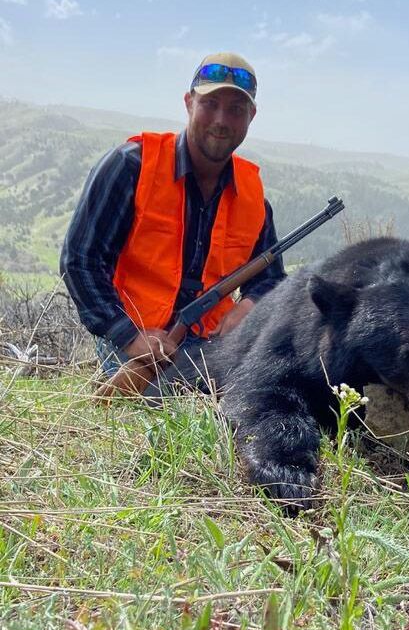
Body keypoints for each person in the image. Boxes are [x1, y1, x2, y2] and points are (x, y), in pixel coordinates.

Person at [60, 51, 285, 395]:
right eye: (210, 104)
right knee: (194, 401)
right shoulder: (131, 166)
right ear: (188, 102)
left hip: (210, 345)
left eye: (236, 109)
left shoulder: (253, 197)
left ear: (251, 116)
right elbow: (80, 260)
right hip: (132, 344)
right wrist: (128, 336)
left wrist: (249, 308)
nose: (221, 120)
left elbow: (271, 278)